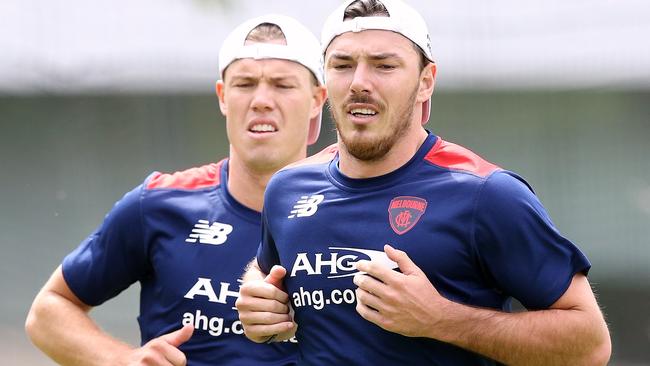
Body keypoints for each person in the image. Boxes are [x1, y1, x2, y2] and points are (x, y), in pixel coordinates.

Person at [235, 0, 612, 365]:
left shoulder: (486, 194)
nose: (359, 82)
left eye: (384, 66)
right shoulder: (289, 188)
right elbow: (268, 276)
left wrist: (441, 319)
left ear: (425, 82)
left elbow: (590, 346)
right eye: (343, 65)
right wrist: (258, 301)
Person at [25, 14, 327, 366]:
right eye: (245, 84)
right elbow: (48, 311)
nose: (261, 100)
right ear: (223, 97)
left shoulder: (351, 210)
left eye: (282, 85)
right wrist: (122, 361)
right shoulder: (161, 203)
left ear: (317, 100)